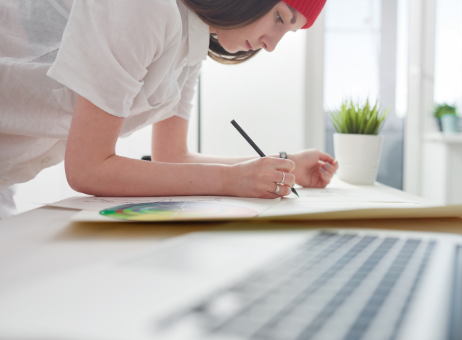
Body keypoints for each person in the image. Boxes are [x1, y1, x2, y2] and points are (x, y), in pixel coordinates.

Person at [0, 0, 337, 219]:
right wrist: (233, 180)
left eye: (288, 32)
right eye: (279, 17)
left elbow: (172, 156)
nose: (271, 45)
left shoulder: (192, 45)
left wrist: (283, 164)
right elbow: (87, 168)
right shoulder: (148, 8)